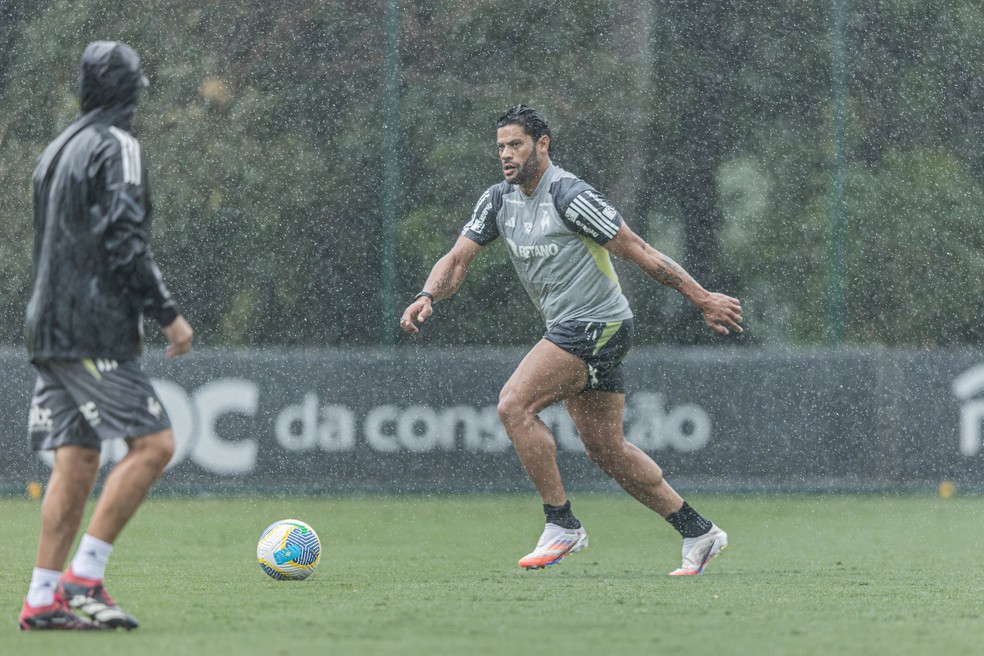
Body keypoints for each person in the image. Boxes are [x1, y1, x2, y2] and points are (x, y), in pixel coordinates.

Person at [400, 105, 743, 575]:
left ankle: (561, 524)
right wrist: (427, 295)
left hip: (597, 323)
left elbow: (639, 250)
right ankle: (698, 531)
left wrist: (701, 298)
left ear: (542, 145)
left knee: (513, 405)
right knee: (607, 449)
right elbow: (458, 259)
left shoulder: (571, 196)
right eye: (500, 146)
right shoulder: (499, 200)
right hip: (575, 327)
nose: (505, 154)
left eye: (516, 144)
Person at [18, 41, 193, 631]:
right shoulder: (119, 146)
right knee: (155, 445)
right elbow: (124, 240)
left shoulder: (55, 150)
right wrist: (166, 313)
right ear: (129, 89)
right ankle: (84, 576)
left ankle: (42, 600)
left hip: (47, 327)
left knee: (77, 461)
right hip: (92, 329)